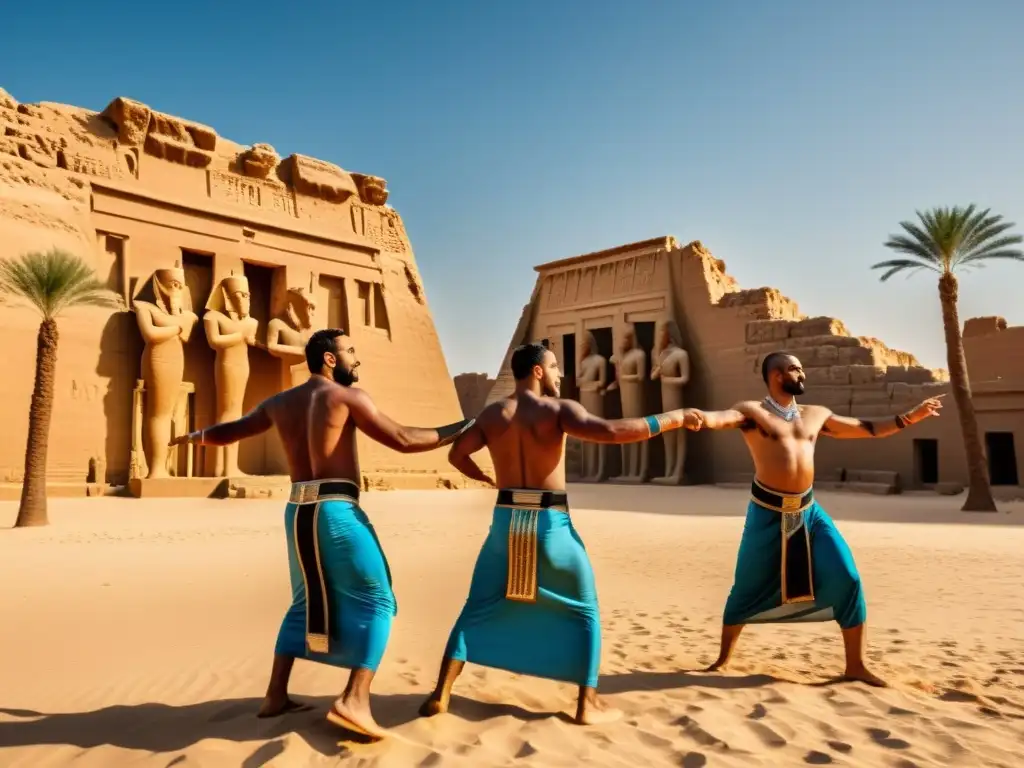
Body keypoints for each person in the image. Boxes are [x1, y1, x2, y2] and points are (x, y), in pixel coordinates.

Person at [169, 328, 474, 738]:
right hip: (337, 511)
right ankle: (355, 699)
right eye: (350, 351)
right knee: (379, 599)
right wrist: (461, 428)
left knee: (304, 599)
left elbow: (235, 430)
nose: (356, 360)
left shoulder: (279, 403)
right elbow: (403, 439)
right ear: (329, 359)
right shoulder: (348, 397)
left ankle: (275, 695)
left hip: (297, 510)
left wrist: (196, 436)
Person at [418, 342, 702, 725]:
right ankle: (588, 703)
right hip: (551, 524)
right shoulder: (558, 410)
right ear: (537, 371)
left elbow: (456, 456)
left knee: (478, 605)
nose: (559, 375)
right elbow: (614, 432)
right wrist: (675, 417)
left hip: (505, 521)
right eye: (554, 367)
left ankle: (441, 694)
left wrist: (484, 477)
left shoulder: (492, 414)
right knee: (584, 609)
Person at [687, 351, 944, 687]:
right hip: (766, 513)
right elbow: (722, 418)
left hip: (809, 512)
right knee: (746, 587)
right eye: (796, 369)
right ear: (777, 375)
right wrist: (699, 419)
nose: (802, 374)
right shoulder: (753, 412)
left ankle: (856, 665)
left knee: (848, 577)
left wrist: (911, 417)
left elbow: (866, 429)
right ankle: (722, 660)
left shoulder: (815, 415)